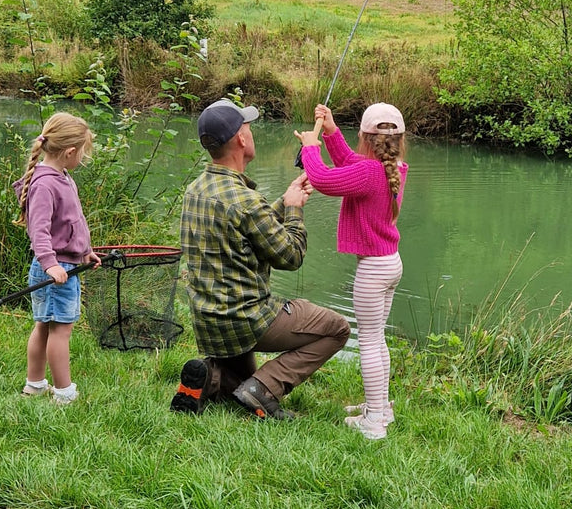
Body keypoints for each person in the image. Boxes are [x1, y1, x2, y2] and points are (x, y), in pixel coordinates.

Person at [172, 98, 350, 418]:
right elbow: (290, 255)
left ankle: (209, 380)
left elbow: (248, 229)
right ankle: (263, 390)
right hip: (245, 322)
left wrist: (284, 200)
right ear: (241, 139)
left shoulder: (195, 190)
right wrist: (295, 210)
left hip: (208, 325)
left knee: (237, 384)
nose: (251, 133)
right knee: (336, 329)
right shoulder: (246, 200)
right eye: (248, 128)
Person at [296, 102, 408, 440]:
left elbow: (325, 179)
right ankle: (381, 407)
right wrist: (329, 132)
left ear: (364, 136)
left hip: (373, 270)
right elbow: (349, 163)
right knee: (379, 340)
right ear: (399, 139)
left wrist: (310, 149)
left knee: (370, 343)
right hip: (391, 263)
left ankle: (374, 424)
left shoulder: (370, 173)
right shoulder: (393, 168)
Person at [14, 112, 101, 406]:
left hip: (66, 265)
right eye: (83, 154)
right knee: (59, 331)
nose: (83, 159)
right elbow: (38, 231)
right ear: (69, 152)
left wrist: (85, 252)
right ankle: (64, 393)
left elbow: (71, 222)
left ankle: (35, 385)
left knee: (44, 325)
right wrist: (50, 264)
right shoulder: (44, 184)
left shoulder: (63, 178)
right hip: (55, 271)